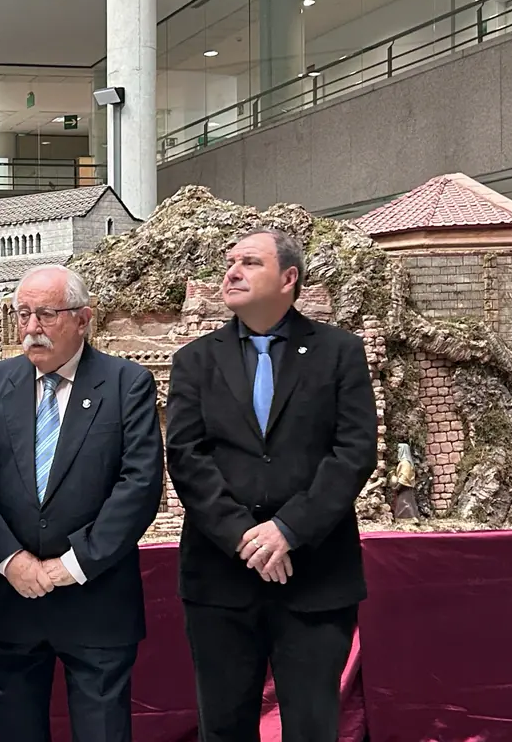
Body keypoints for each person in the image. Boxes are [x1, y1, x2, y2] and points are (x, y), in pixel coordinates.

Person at [165, 228, 378, 742]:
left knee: (312, 727)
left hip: (315, 575)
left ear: (289, 278)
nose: (232, 271)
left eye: (250, 262)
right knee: (224, 728)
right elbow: (187, 458)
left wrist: (287, 530)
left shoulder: (339, 352)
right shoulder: (194, 359)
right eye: (230, 261)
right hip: (220, 576)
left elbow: (353, 453)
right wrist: (246, 536)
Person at [0, 264, 164, 742]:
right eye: (24, 314)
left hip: (96, 602)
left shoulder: (126, 384)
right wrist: (11, 561)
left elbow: (139, 486)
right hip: (14, 603)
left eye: (47, 314)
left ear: (83, 319)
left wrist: (69, 566)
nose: (32, 327)